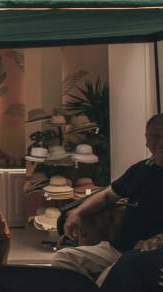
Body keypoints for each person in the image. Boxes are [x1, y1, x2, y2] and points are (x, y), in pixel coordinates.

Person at [55, 114, 163, 279]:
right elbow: (108, 196)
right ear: (146, 139)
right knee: (63, 258)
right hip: (118, 250)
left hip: (152, 255)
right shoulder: (140, 169)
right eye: (155, 136)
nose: (160, 142)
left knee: (111, 277)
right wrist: (78, 212)